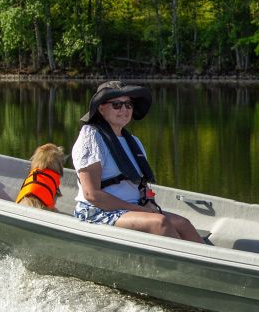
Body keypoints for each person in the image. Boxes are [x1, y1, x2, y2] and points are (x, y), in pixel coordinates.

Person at [71, 81, 205, 242]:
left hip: (132, 209)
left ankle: (211, 265)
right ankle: (185, 264)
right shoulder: (91, 137)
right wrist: (139, 209)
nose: (124, 109)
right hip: (97, 211)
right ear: (101, 108)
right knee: (159, 223)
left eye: (128, 104)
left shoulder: (133, 141)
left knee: (183, 224)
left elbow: (142, 184)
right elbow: (91, 195)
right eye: (117, 105)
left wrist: (149, 202)